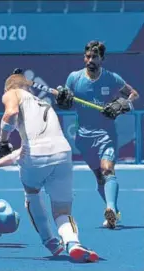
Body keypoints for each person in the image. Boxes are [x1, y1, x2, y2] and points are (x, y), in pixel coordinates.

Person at [0, 71, 99, 262]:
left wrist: (2, 141)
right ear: (29, 87)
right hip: (63, 153)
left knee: (31, 193)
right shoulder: (44, 104)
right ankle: (73, 243)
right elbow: (20, 153)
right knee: (62, 212)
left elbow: (11, 113)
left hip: (35, 157)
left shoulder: (12, 92)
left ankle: (50, 242)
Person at [55, 40, 140, 229]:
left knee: (107, 169)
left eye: (94, 56)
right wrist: (62, 100)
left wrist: (121, 104)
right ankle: (114, 212)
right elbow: (66, 104)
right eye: (87, 56)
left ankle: (110, 207)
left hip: (106, 135)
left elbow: (133, 94)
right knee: (99, 177)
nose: (90, 60)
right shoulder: (74, 79)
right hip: (83, 138)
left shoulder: (112, 78)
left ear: (102, 58)